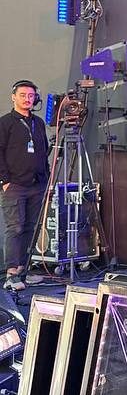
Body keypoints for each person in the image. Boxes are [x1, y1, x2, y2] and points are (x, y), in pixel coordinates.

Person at [0, 80, 50, 296]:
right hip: (15, 186)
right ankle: (11, 274)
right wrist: (4, 181)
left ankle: (24, 270)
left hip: (36, 184)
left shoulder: (38, 123)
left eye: (31, 95)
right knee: (15, 228)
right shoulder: (5, 123)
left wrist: (46, 177)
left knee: (31, 227)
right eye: (23, 95)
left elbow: (44, 151)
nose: (27, 99)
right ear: (14, 97)